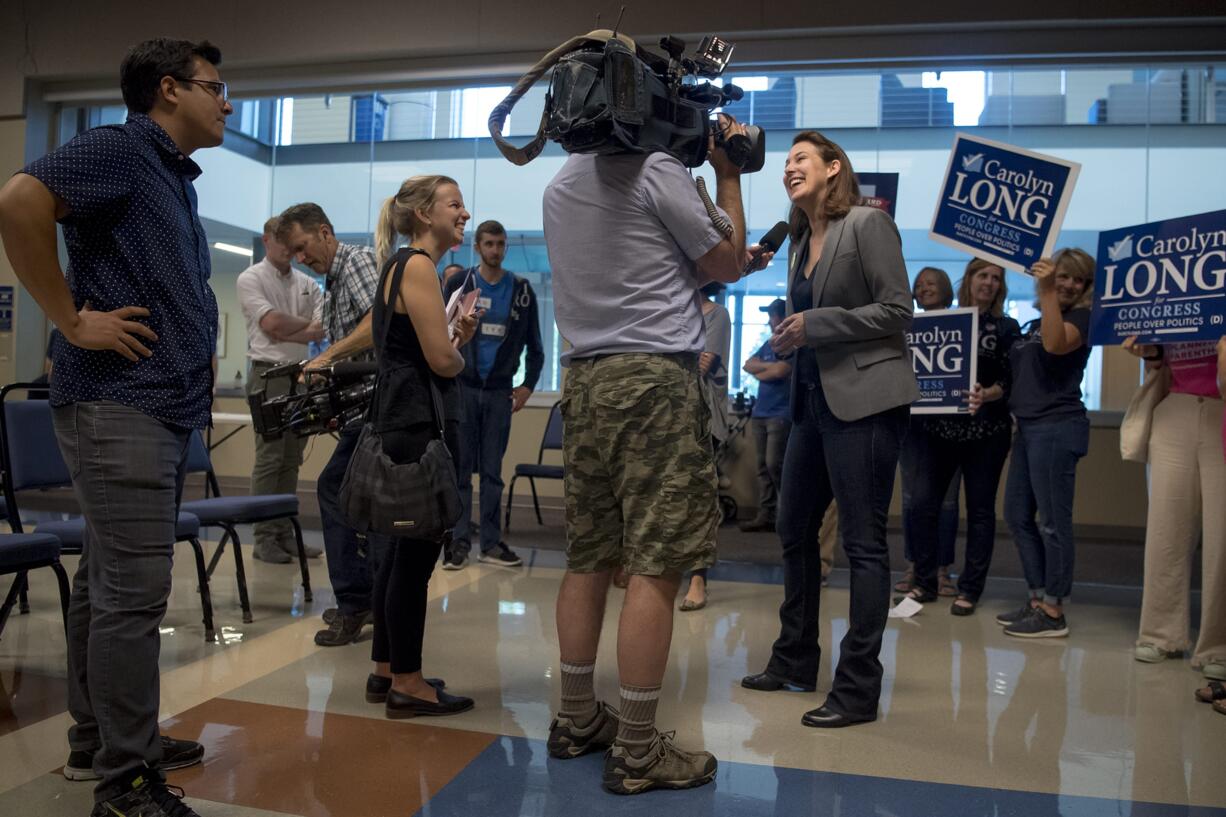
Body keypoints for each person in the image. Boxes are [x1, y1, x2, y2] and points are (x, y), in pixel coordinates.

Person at [0, 37, 231, 817]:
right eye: (214, 87)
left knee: (107, 581)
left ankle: (99, 735)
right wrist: (69, 319)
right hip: (118, 400)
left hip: (154, 404)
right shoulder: (120, 150)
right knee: (134, 594)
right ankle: (126, 782)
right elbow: (18, 201)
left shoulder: (169, 177)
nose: (226, 102)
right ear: (168, 90)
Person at [541, 115, 762, 794]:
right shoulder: (657, 170)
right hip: (654, 381)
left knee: (589, 554)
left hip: (583, 378)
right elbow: (724, 262)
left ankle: (577, 716)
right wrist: (727, 176)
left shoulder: (559, 185)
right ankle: (637, 748)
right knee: (658, 563)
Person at [742, 131, 917, 729]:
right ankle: (794, 658)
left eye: (801, 158)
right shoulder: (796, 238)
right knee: (793, 529)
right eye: (787, 161)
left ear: (833, 167)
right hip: (811, 402)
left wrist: (815, 323)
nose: (789, 167)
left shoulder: (867, 225)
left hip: (866, 400)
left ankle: (858, 688)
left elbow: (898, 310)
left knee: (863, 544)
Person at [365, 175, 481, 717]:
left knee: (397, 550)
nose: (464, 213)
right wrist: (459, 353)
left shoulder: (405, 267)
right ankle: (408, 685)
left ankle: (387, 668)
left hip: (401, 418)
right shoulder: (416, 266)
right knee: (414, 557)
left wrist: (454, 336)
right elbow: (439, 361)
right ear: (422, 215)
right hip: (417, 424)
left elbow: (423, 347)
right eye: (454, 204)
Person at [277, 202, 381, 646]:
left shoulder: (355, 262)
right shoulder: (334, 282)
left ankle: (358, 602)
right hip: (362, 408)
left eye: (302, 248)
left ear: (324, 232)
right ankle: (370, 598)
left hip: (379, 407)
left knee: (334, 489)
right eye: (293, 253)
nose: (301, 258)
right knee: (358, 500)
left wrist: (325, 357)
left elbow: (383, 323)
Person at [901, 259, 1020, 615]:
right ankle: (924, 581)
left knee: (980, 512)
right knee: (922, 504)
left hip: (988, 431)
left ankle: (970, 588)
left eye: (995, 278)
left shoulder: (1006, 327)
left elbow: (1011, 380)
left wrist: (988, 394)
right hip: (941, 430)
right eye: (982, 275)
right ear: (968, 279)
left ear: (1000, 287)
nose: (988, 282)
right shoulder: (942, 321)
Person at [999, 248, 1095, 638]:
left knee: (1053, 523)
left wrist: (1046, 288)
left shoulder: (1084, 318)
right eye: (1064, 276)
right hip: (1028, 429)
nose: (1070, 284)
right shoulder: (1037, 322)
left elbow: (1056, 345)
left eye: (1078, 279)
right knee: (1018, 516)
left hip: (1057, 427)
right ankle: (1038, 598)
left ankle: (1054, 610)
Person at [441, 220, 544, 569]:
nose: (495, 250)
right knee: (459, 470)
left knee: (492, 473)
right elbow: (439, 332)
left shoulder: (521, 290)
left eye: (500, 244)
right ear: (478, 246)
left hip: (499, 392)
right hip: (463, 389)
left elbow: (536, 348)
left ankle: (490, 542)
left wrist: (527, 386)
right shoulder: (459, 283)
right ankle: (457, 543)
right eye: (489, 244)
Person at [1124, 335, 1225, 681]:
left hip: (1221, 407)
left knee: (1222, 536)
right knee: (1166, 528)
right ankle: (1160, 634)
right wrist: (1148, 351)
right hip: (1175, 406)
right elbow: (1159, 358)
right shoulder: (1175, 289)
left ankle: (1219, 645)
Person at [236, 216, 325, 563]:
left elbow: (321, 329)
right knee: (270, 458)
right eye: (280, 239)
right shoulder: (250, 278)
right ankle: (263, 538)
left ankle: (284, 533)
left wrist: (287, 331)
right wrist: (292, 328)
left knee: (292, 459)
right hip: (268, 373)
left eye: (292, 240)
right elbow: (270, 323)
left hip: (300, 375)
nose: (288, 247)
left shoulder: (308, 283)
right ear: (267, 239)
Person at [895, 266, 960, 596]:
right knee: (910, 499)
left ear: (946, 288)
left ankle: (942, 570)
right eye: (919, 285)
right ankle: (914, 566)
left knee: (946, 502)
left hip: (949, 428)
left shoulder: (962, 323)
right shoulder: (905, 325)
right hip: (911, 425)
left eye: (931, 283)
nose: (924, 289)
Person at [680, 282, 732, 611]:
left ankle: (698, 577)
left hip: (703, 415)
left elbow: (702, 365)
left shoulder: (717, 315)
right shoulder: (669, 312)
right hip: (667, 413)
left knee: (698, 498)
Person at [739, 298, 792, 533]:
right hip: (760, 414)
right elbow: (747, 365)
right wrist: (766, 370)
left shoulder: (790, 344)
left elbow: (782, 370)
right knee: (762, 467)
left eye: (773, 315)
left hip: (780, 415)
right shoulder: (768, 345)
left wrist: (763, 371)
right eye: (769, 316)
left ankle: (786, 516)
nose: (770, 321)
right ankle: (766, 515)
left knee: (775, 465)